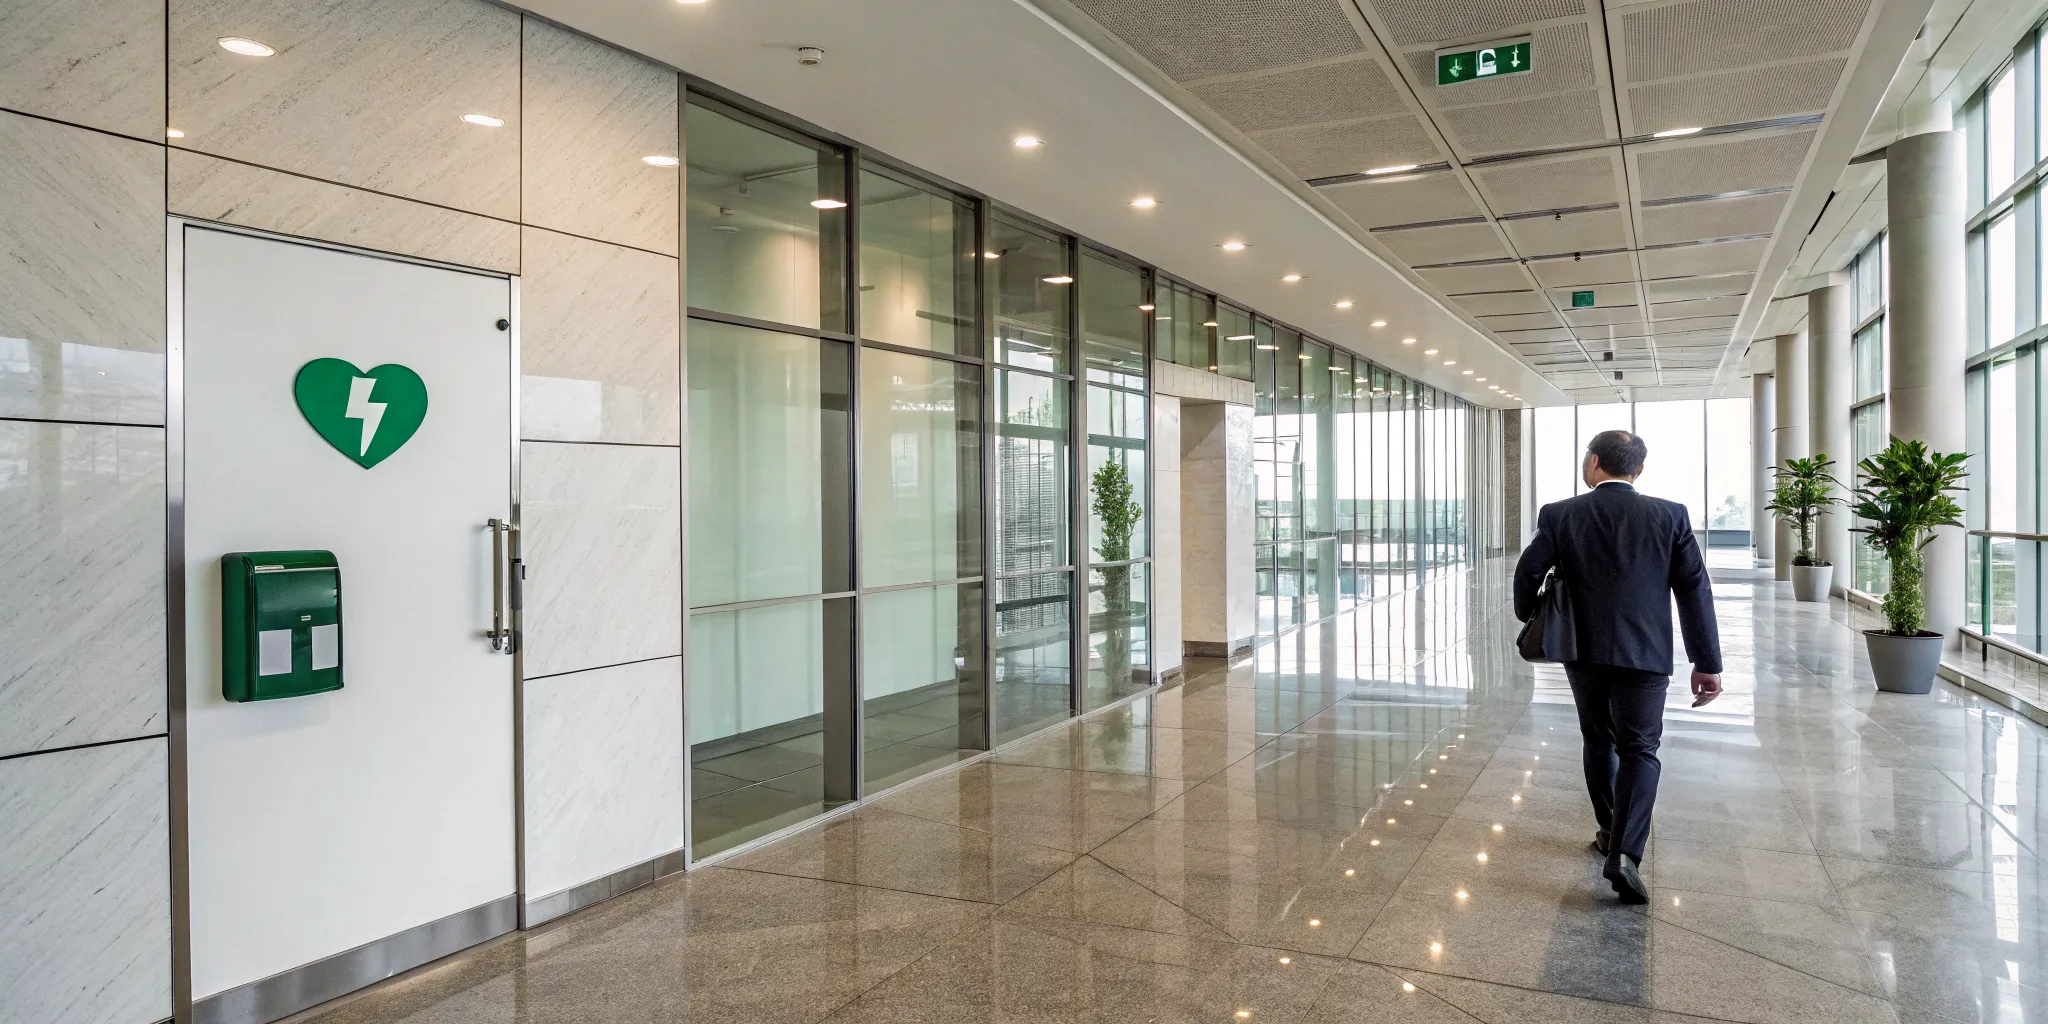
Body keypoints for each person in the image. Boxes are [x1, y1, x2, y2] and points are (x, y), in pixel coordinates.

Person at [1512, 429, 1723, 904]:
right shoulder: (1670, 515)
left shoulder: (1561, 513)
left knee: (1598, 738)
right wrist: (1706, 662)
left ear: (1593, 463)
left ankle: (1608, 829)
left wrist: (1532, 618)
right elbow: (1694, 589)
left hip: (1581, 651)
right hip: (1646, 655)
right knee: (1641, 748)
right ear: (1638, 469)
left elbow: (1528, 571)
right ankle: (1625, 853)